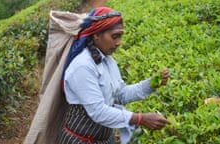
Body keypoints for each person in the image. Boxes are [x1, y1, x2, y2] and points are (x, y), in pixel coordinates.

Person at [57, 7, 171, 144]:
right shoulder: (83, 66)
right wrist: (140, 119)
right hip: (80, 140)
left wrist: (151, 84)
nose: (118, 43)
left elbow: (121, 94)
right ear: (96, 35)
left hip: (103, 138)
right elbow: (98, 111)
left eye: (120, 36)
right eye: (114, 36)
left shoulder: (108, 61)